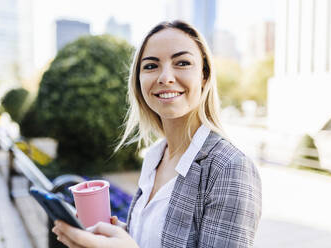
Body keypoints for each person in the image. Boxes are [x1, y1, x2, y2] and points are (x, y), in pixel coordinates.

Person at [52, 20, 262, 248]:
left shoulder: (230, 167)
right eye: (151, 66)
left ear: (204, 75)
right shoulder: (155, 156)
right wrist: (112, 237)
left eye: (182, 63)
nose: (165, 77)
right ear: (138, 80)